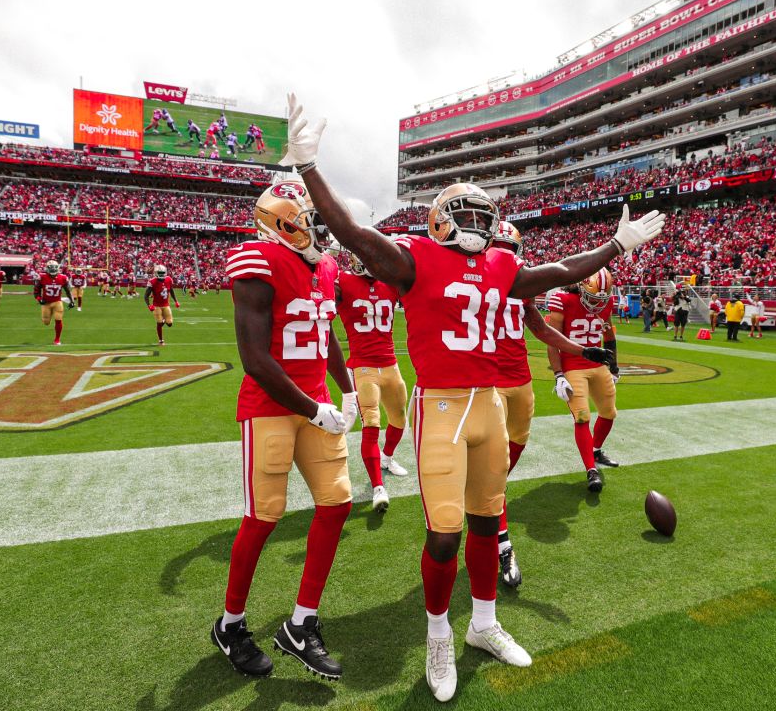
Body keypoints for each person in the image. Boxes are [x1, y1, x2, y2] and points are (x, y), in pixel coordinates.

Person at [283, 92, 666, 703]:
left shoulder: (502, 265)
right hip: (441, 406)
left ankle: (484, 624)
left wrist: (617, 246)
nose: (479, 223)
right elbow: (353, 233)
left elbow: (561, 271)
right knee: (445, 532)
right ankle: (438, 634)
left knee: (489, 523)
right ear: (439, 216)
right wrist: (308, 166)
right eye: (466, 212)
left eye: (484, 214)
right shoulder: (414, 259)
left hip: (489, 402)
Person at [211, 181, 359, 681]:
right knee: (264, 516)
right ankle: (230, 625)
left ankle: (301, 624)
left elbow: (325, 331)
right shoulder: (257, 260)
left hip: (314, 401)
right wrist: (315, 409)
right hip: (271, 406)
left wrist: (348, 387)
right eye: (311, 220)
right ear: (283, 223)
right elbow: (255, 359)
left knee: (337, 504)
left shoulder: (327, 267)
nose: (322, 230)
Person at [490, 221, 612, 588]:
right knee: (494, 473)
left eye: (510, 250)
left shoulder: (521, 288)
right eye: (499, 247)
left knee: (511, 452)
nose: (506, 257)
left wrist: (582, 350)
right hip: (488, 382)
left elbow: (541, 329)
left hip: (520, 380)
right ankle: (501, 540)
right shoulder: (471, 283)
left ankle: (486, 497)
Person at [334, 250, 409, 513]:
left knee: (400, 418)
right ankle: (378, 487)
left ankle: (387, 457)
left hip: (390, 365)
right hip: (363, 367)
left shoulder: (390, 283)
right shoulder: (342, 281)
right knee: (372, 423)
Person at [547, 270, 623, 493]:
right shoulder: (563, 300)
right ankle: (591, 470)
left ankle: (596, 451)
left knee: (609, 412)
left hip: (597, 365)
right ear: (580, 287)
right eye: (592, 298)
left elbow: (608, 336)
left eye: (601, 299)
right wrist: (559, 374)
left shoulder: (606, 303)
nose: (596, 304)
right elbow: (552, 341)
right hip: (573, 366)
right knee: (582, 417)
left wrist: (614, 366)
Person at [33, 260, 69, 346]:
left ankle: (57, 340)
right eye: (51, 268)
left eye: (54, 268)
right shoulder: (41, 276)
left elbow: (67, 291)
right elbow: (36, 291)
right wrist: (39, 299)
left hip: (57, 302)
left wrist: (71, 301)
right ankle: (47, 317)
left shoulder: (63, 277)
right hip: (46, 303)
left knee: (58, 320)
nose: (53, 270)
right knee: (46, 322)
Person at [145, 265, 179, 346]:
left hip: (166, 304)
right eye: (159, 273)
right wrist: (149, 305)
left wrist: (176, 301)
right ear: (156, 273)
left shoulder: (169, 279)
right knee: (159, 323)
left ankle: (163, 320)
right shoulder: (152, 281)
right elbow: (146, 296)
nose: (161, 274)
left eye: (162, 273)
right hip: (156, 305)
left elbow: (171, 290)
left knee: (170, 324)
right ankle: (161, 340)